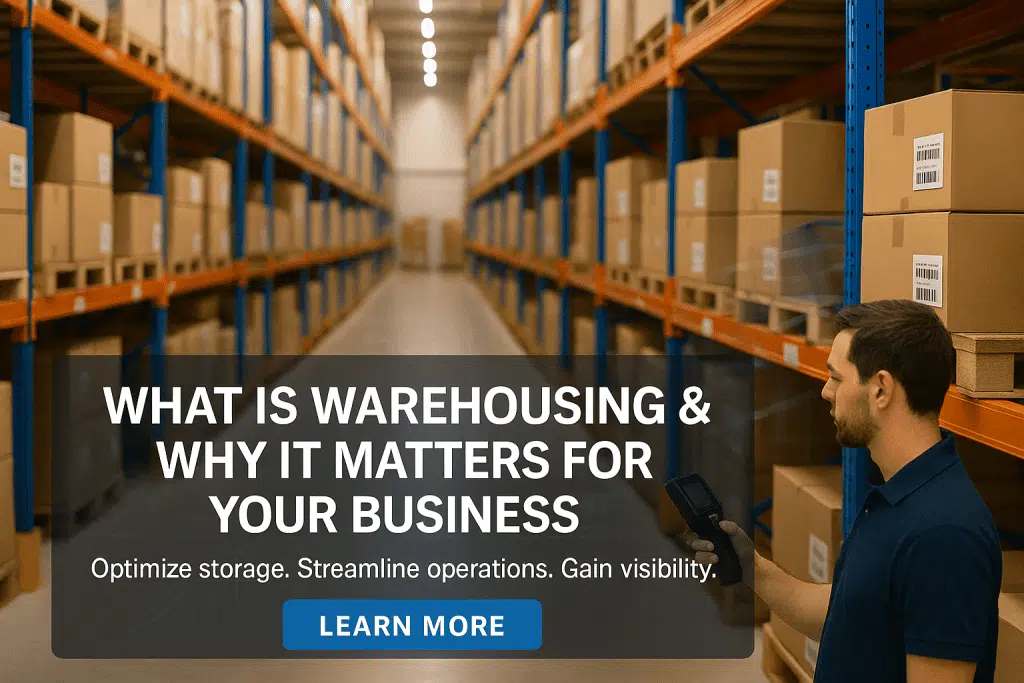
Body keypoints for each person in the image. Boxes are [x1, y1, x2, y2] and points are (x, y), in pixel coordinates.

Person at [686, 299, 1003, 683]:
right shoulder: (897, 497)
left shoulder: (943, 537)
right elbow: (853, 615)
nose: (825, 391)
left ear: (881, 389)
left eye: (836, 377)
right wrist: (753, 569)